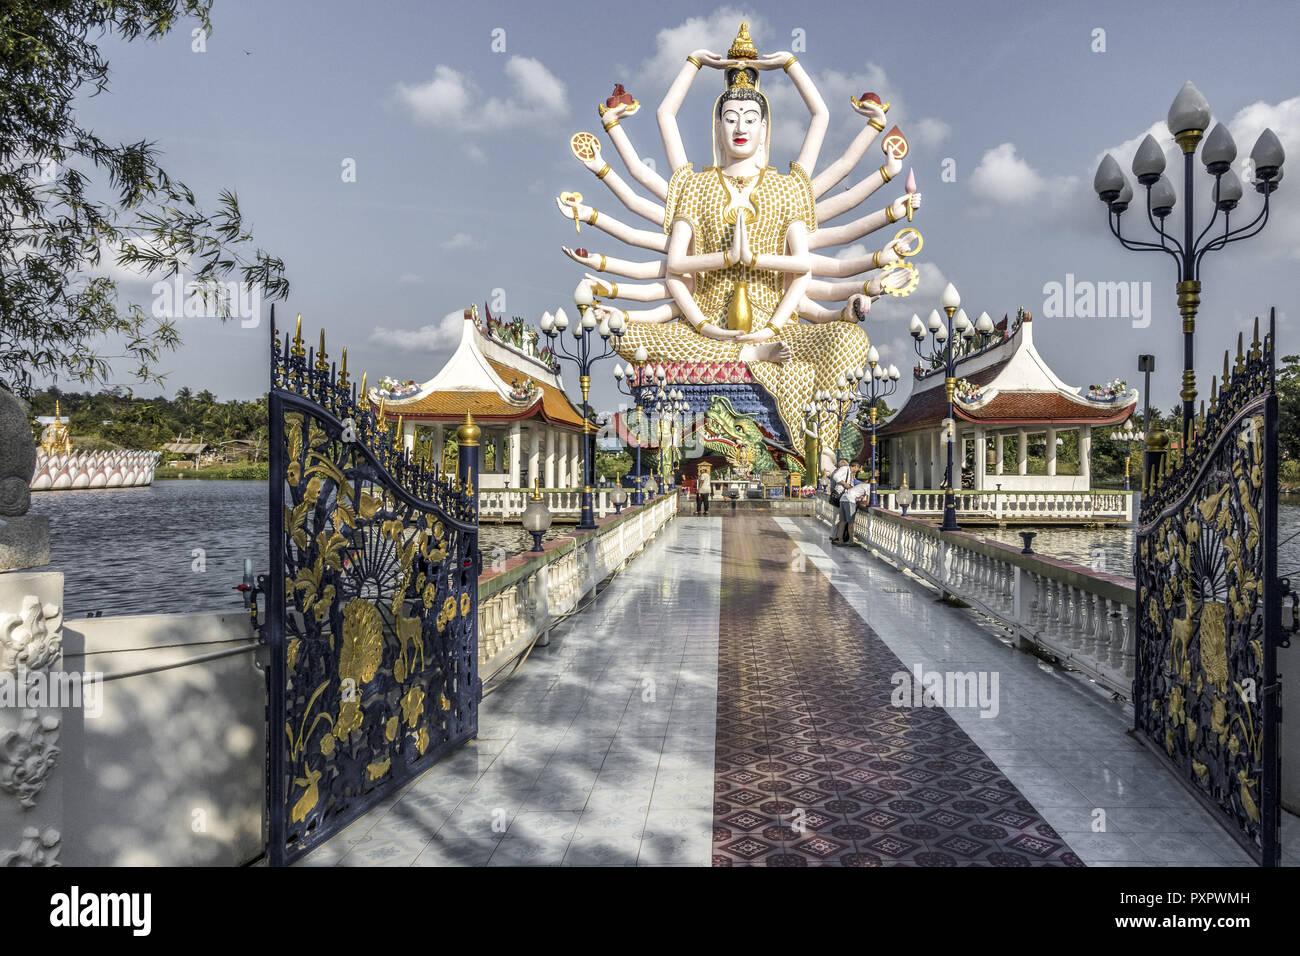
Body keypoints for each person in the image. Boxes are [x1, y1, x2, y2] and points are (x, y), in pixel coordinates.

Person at [829, 458, 868, 545]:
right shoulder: (845, 468)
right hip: (840, 495)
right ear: (855, 467)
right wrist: (844, 484)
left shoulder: (850, 473)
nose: (857, 470)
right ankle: (835, 537)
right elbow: (835, 476)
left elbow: (852, 484)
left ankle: (839, 538)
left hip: (845, 497)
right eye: (858, 468)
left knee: (841, 519)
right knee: (840, 518)